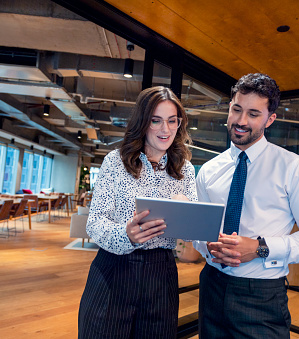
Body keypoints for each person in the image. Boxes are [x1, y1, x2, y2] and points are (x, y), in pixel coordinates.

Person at [193, 73, 299, 338]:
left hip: (261, 295)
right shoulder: (209, 170)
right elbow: (201, 231)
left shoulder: (293, 168)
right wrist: (207, 246)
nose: (241, 121)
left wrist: (259, 248)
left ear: (270, 119)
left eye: (253, 114)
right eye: (236, 109)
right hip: (211, 285)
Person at [78, 86, 197, 338]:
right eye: (156, 121)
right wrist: (127, 234)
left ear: (179, 124)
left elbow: (191, 230)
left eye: (172, 121)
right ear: (143, 122)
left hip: (161, 273)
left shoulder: (185, 169)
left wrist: (186, 210)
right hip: (115, 268)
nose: (165, 130)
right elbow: (95, 222)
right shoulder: (115, 161)